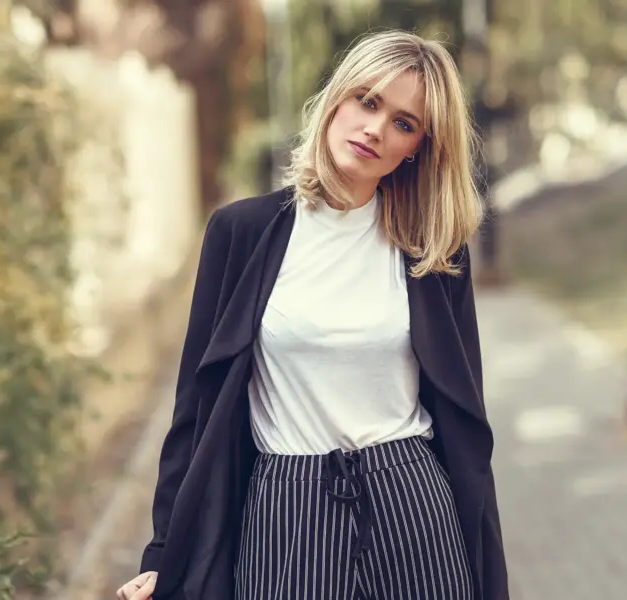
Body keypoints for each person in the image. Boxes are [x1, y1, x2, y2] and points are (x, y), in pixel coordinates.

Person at [116, 29, 508, 600]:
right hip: (287, 507)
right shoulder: (241, 233)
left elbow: (465, 416)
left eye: (404, 123)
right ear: (336, 100)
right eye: (367, 101)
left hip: (411, 500)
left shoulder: (434, 249)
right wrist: (162, 552)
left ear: (418, 147)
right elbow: (195, 408)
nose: (375, 128)